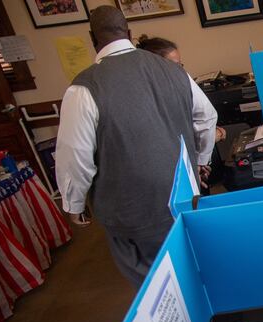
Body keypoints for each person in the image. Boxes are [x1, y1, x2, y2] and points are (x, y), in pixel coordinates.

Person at [55, 6, 218, 287]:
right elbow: (207, 118)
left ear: (92, 37)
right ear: (128, 33)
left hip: (131, 210)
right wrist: (201, 161)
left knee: (154, 281)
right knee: (192, 263)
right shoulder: (174, 71)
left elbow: (75, 157)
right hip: (183, 193)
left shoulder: (83, 88)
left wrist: (74, 203)